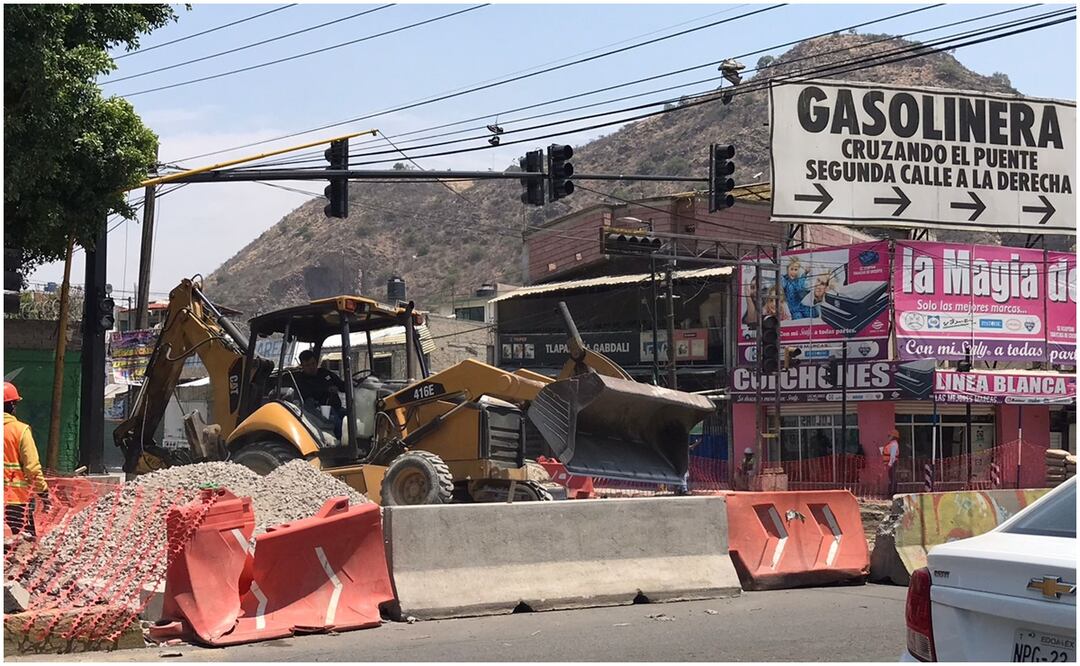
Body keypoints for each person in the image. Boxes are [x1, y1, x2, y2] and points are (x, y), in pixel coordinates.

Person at [4, 382, 48, 537]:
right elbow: (32, 468)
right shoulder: (20, 430)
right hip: (14, 499)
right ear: (12, 406)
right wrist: (43, 492)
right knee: (20, 544)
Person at [290, 350, 347, 434]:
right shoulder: (300, 380)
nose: (311, 367)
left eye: (313, 364)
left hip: (336, 408)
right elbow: (308, 395)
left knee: (351, 417)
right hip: (318, 412)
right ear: (302, 366)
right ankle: (343, 444)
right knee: (339, 425)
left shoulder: (324, 373)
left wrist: (351, 383)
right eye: (307, 365)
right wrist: (327, 389)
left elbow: (341, 385)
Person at [881, 428, 901, 496]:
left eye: (889, 436)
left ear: (893, 436)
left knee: (892, 479)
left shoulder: (894, 444)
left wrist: (889, 465)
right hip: (891, 463)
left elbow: (892, 456)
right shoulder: (892, 444)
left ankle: (892, 493)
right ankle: (892, 493)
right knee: (891, 478)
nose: (888, 437)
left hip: (892, 463)